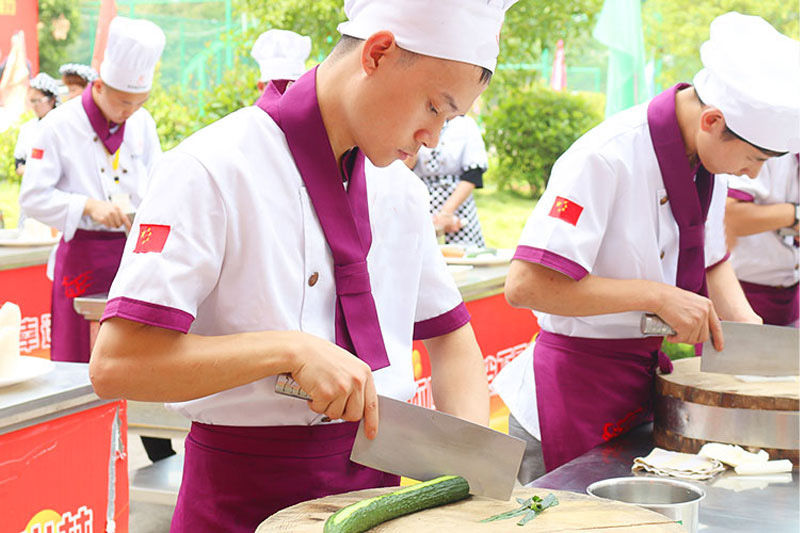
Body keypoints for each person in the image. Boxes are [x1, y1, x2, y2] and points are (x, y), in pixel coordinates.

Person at [89, 0, 517, 530]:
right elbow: (116, 365)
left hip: (379, 504)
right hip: (240, 503)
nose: (434, 138)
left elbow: (451, 339)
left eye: (450, 120)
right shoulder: (213, 167)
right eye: (434, 107)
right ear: (378, 53)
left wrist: (470, 481)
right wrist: (287, 350)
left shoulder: (399, 190)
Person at [503, 12, 799, 474]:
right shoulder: (605, 156)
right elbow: (525, 286)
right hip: (569, 393)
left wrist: (748, 327)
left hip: (640, 388)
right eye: (753, 158)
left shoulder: (708, 159)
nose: (754, 174)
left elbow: (713, 257)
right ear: (712, 120)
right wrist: (658, 296)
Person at [19, 17, 171, 463]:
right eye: (123, 101)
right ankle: (77, 453)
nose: (128, 112)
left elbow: (158, 182)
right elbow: (34, 197)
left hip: (130, 255)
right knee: (78, 360)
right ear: (100, 86)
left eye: (137, 102)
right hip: (82, 257)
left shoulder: (142, 123)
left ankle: (156, 448)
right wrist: (86, 206)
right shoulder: (60, 125)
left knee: (136, 356)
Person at [724, 153, 799, 326]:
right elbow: (730, 216)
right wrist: (793, 214)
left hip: (789, 299)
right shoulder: (772, 150)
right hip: (739, 292)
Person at [409, 114, 488, 247]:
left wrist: (446, 214)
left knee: (462, 260)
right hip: (419, 205)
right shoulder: (417, 121)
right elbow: (405, 167)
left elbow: (473, 174)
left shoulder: (466, 125)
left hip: (457, 209)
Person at [14, 73, 59, 177]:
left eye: (37, 101)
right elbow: (19, 165)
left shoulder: (62, 128)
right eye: (32, 101)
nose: (34, 106)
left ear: (52, 100)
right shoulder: (28, 129)